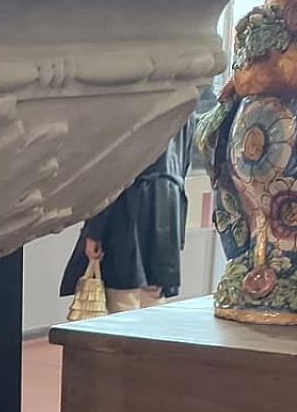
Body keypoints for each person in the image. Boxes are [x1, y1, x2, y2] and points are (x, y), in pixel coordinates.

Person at [60, 118, 196, 314]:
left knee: (123, 293)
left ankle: (125, 343)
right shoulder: (184, 99)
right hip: (169, 199)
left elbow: (111, 168)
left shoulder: (132, 94)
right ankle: (151, 343)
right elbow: (185, 160)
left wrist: (94, 230)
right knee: (154, 292)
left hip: (128, 202)